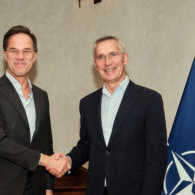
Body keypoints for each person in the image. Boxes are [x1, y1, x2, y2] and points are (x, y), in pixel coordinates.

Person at [60, 36, 167, 195]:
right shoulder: (87, 103)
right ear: (95, 65)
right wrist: (68, 161)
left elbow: (156, 159)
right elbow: (87, 145)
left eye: (113, 54)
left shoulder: (150, 100)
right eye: (100, 57)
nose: (107, 62)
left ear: (125, 58)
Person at [0, 25, 69, 195]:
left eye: (27, 51)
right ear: (5, 55)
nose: (20, 57)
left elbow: (46, 143)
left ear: (34, 56)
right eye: (14, 51)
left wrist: (48, 188)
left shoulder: (41, 96)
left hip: (35, 188)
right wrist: (46, 161)